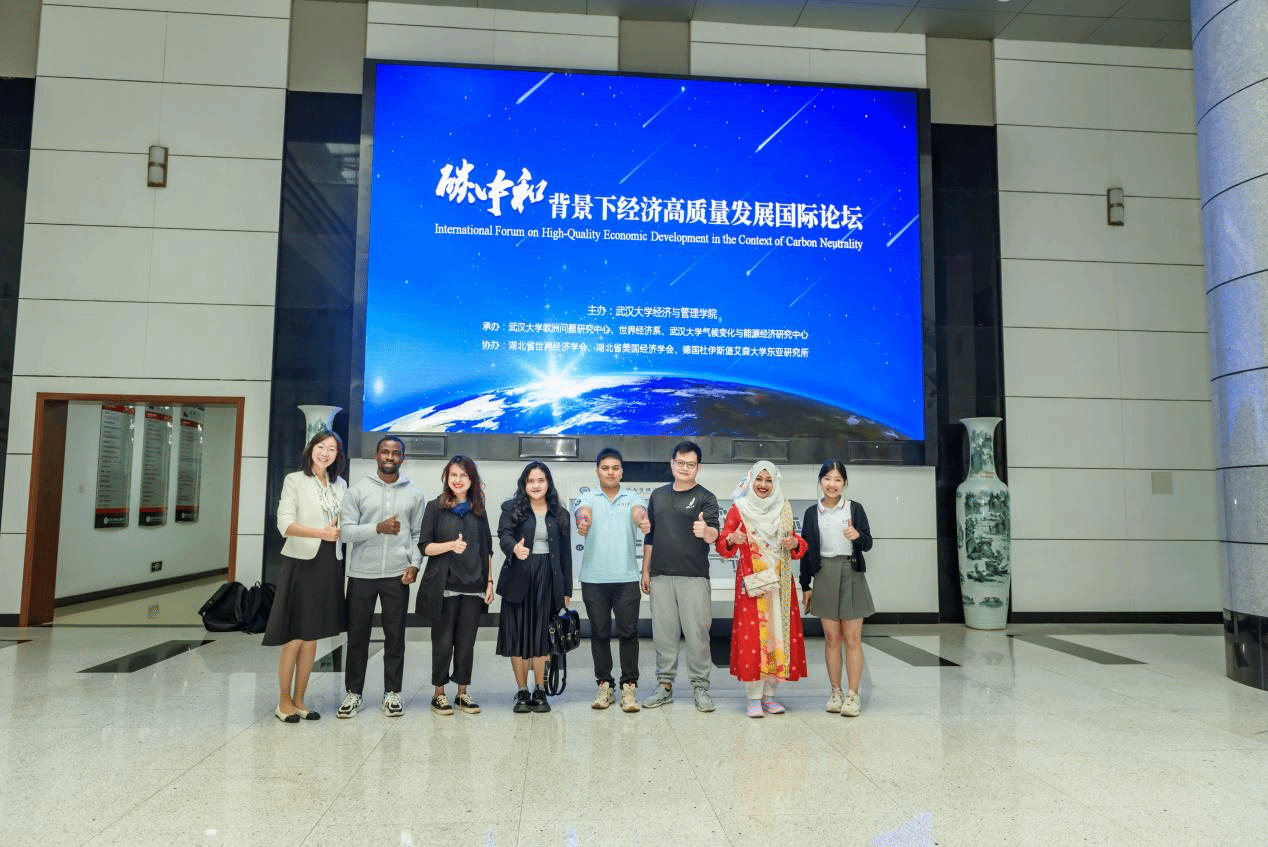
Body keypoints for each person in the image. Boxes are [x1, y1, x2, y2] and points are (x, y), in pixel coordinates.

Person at [336, 436, 426, 719]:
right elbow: (345, 532)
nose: (390, 457)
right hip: (361, 575)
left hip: (397, 576)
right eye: (385, 452)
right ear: (376, 455)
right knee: (357, 637)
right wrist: (377, 528)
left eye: (395, 453)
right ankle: (354, 693)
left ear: (403, 458)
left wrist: (415, 565)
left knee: (395, 637)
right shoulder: (358, 490)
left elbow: (418, 535)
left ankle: (392, 693)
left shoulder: (415, 493)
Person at [263, 429, 348, 723]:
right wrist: (320, 533)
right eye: (321, 446)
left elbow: (343, 521)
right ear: (311, 448)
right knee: (295, 635)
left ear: (338, 455)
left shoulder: (340, 484)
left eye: (332, 449)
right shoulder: (294, 480)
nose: (325, 453)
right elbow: (284, 524)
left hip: (329, 562)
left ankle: (300, 699)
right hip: (301, 562)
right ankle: (283, 701)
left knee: (311, 636)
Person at [715, 461, 808, 717]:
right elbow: (723, 546)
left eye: (769, 480)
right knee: (754, 639)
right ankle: (753, 698)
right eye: (759, 479)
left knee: (778, 637)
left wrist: (794, 543)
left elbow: (798, 543)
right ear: (751, 480)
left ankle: (769, 697)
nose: (763, 485)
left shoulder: (784, 508)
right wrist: (732, 539)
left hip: (780, 584)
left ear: (775, 483)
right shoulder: (739, 508)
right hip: (753, 585)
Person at [639, 441, 720, 712]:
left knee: (698, 634)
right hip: (661, 575)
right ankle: (664, 686)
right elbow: (650, 536)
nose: (685, 468)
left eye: (691, 464)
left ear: (698, 467)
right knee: (664, 634)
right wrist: (646, 570)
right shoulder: (658, 496)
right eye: (680, 463)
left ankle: (701, 687)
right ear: (672, 463)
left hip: (694, 577)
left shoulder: (706, 497)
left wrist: (706, 532)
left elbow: (715, 533)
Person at [417, 455, 493, 716]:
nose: (458, 480)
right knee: (442, 642)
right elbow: (425, 546)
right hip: (444, 587)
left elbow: (487, 549)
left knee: (466, 643)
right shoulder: (434, 507)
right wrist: (450, 545)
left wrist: (489, 582)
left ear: (472, 480)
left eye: (463, 475)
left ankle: (462, 693)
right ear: (446, 478)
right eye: (453, 475)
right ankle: (439, 693)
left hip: (473, 586)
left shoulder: (478, 510)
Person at [575, 448, 649, 712]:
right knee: (599, 634)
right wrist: (583, 521)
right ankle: (604, 684)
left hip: (626, 578)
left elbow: (639, 512)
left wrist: (642, 520)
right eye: (605, 468)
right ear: (597, 471)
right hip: (593, 579)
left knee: (629, 633)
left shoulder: (632, 497)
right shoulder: (587, 497)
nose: (610, 472)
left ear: (621, 472)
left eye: (615, 468)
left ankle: (629, 686)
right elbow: (582, 513)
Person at [496, 461, 573, 713]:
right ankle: (521, 690)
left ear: (548, 483)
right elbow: (504, 534)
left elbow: (566, 555)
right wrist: (514, 548)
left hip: (549, 578)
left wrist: (567, 590)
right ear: (524, 484)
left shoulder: (560, 514)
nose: (536, 485)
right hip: (518, 578)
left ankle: (539, 689)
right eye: (531, 481)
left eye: (541, 480)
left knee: (543, 636)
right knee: (517, 636)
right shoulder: (511, 508)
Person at [799, 460, 874, 717]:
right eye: (828, 479)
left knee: (852, 638)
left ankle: (853, 694)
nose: (832, 484)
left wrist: (857, 536)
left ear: (844, 483)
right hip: (824, 573)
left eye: (838, 479)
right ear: (821, 481)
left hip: (851, 572)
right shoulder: (812, 512)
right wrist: (805, 584)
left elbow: (868, 543)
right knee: (831, 638)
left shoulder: (855, 508)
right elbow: (805, 550)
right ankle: (835, 691)